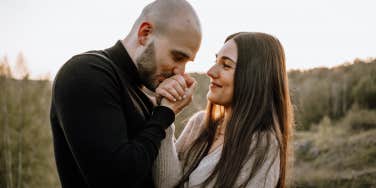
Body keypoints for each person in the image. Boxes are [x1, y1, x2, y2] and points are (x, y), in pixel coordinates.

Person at [49, 0, 201, 187]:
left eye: (187, 62)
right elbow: (116, 179)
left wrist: (161, 111)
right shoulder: (86, 73)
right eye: (177, 57)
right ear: (145, 34)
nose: (180, 71)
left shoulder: (139, 92)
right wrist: (163, 116)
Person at [153, 32, 294, 188]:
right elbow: (166, 184)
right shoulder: (199, 124)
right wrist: (165, 115)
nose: (210, 71)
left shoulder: (263, 145)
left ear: (254, 78)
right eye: (216, 61)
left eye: (226, 65)